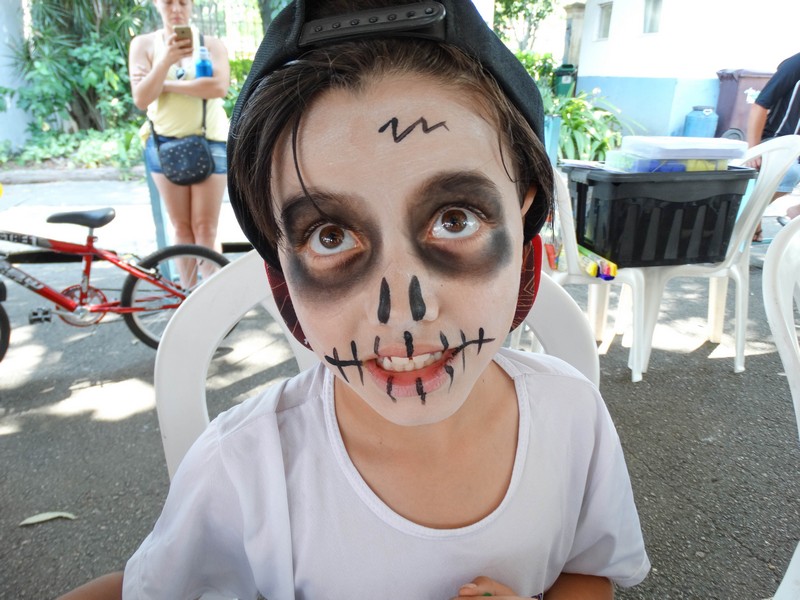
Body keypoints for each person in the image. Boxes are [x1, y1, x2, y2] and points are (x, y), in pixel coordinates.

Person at [59, 1, 650, 598]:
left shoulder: (572, 416)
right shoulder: (242, 471)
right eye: (329, 235)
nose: (404, 310)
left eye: (454, 218)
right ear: (280, 271)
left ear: (523, 222)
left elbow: (587, 571)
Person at [128, 0, 231, 253]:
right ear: (156, 4)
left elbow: (218, 87)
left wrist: (163, 85)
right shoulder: (144, 45)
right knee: (181, 227)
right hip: (163, 143)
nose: (176, 9)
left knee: (206, 227)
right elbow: (142, 98)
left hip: (211, 141)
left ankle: (211, 280)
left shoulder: (211, 44)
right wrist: (166, 60)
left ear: (192, 5)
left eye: (183, 2)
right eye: (168, 2)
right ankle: (186, 281)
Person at [746, 51, 800, 241]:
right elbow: (760, 105)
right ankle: (749, 218)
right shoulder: (795, 65)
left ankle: (796, 211)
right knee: (790, 172)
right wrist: (754, 150)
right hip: (777, 142)